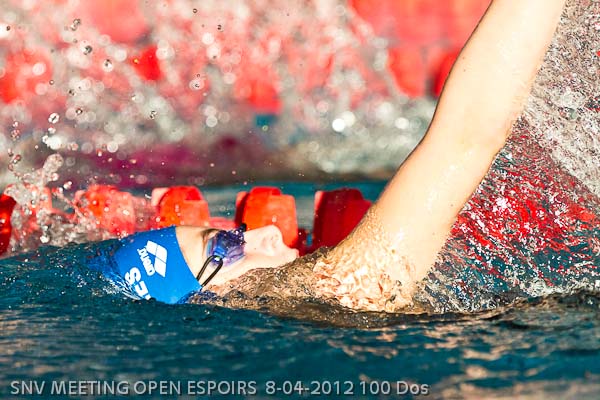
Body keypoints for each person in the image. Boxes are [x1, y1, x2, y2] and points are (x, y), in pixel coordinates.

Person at [98, 0, 569, 311]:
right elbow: (466, 135)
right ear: (208, 299)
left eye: (233, 234)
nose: (264, 231)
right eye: (225, 248)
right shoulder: (348, 287)